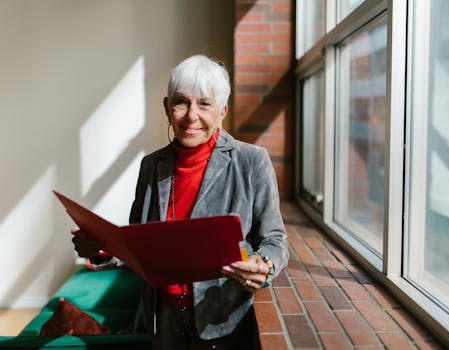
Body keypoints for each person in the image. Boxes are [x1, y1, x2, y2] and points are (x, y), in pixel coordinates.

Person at [71, 54, 289, 349]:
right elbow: (138, 244)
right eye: (181, 102)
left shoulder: (251, 161)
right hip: (163, 320)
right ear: (167, 107)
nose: (191, 116)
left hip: (224, 320)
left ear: (223, 110)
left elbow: (275, 240)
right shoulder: (151, 166)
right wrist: (104, 249)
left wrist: (264, 265)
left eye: (205, 103)